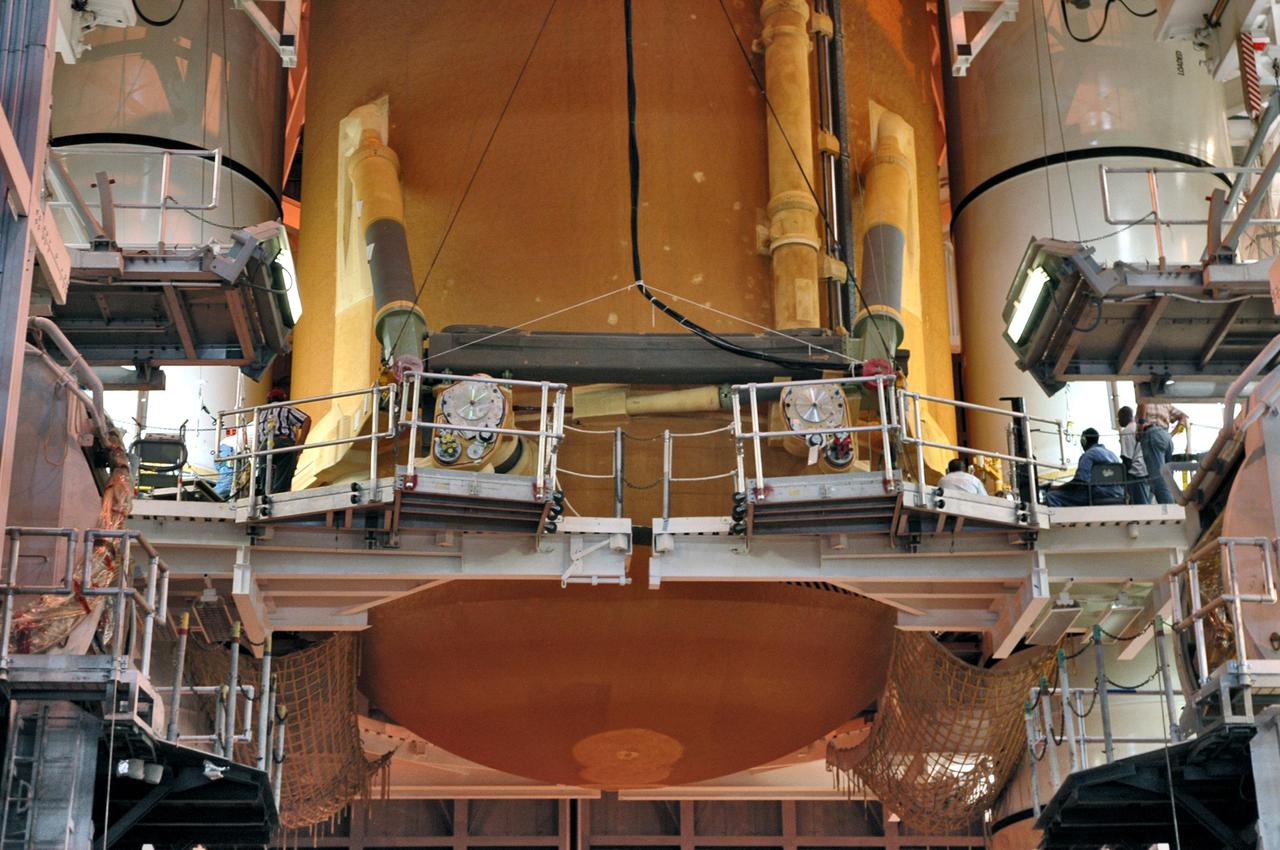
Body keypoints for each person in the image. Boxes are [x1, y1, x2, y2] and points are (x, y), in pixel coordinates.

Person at [1045, 428, 1123, 507]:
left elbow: (1080, 481)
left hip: (1096, 494)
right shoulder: (1112, 455)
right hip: (1118, 494)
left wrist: (1058, 488)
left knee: (1052, 496)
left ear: (1084, 441)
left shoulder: (1089, 455)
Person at [256, 388, 311, 494]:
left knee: (265, 472)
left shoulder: (260, 414)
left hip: (264, 447)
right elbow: (306, 419)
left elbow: (258, 437)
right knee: (285, 469)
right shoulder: (286, 408)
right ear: (283, 399)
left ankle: (265, 495)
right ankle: (279, 493)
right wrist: (300, 443)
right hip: (283, 442)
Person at [1137, 402, 1188, 505]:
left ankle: (1168, 509)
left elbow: (1143, 403)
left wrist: (1141, 425)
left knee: (1158, 477)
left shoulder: (1144, 398)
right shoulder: (1165, 403)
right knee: (1168, 475)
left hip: (1152, 435)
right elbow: (1184, 417)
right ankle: (1174, 503)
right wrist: (1171, 434)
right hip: (1166, 437)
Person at [1116, 407, 1150, 505]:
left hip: (1136, 473)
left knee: (1140, 506)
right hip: (1146, 470)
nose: (1118, 421)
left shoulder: (1126, 431)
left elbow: (1127, 459)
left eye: (1119, 418)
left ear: (1124, 417)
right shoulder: (1138, 427)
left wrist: (1122, 480)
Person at [214, 427, 239, 499]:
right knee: (226, 485)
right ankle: (207, 501)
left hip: (223, 455)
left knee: (229, 484)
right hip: (228, 452)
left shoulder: (225, 441)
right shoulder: (232, 440)